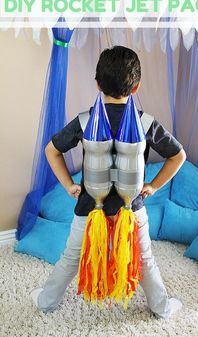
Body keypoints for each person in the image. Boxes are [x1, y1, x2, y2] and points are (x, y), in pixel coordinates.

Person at [30, 45, 186, 319]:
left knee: (71, 256)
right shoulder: (146, 123)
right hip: (132, 207)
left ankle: (46, 301)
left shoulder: (85, 120)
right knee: (145, 259)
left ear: (97, 83)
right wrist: (154, 186)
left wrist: (69, 185)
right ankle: (162, 308)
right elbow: (178, 156)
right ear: (136, 87)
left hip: (89, 207)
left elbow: (51, 151)